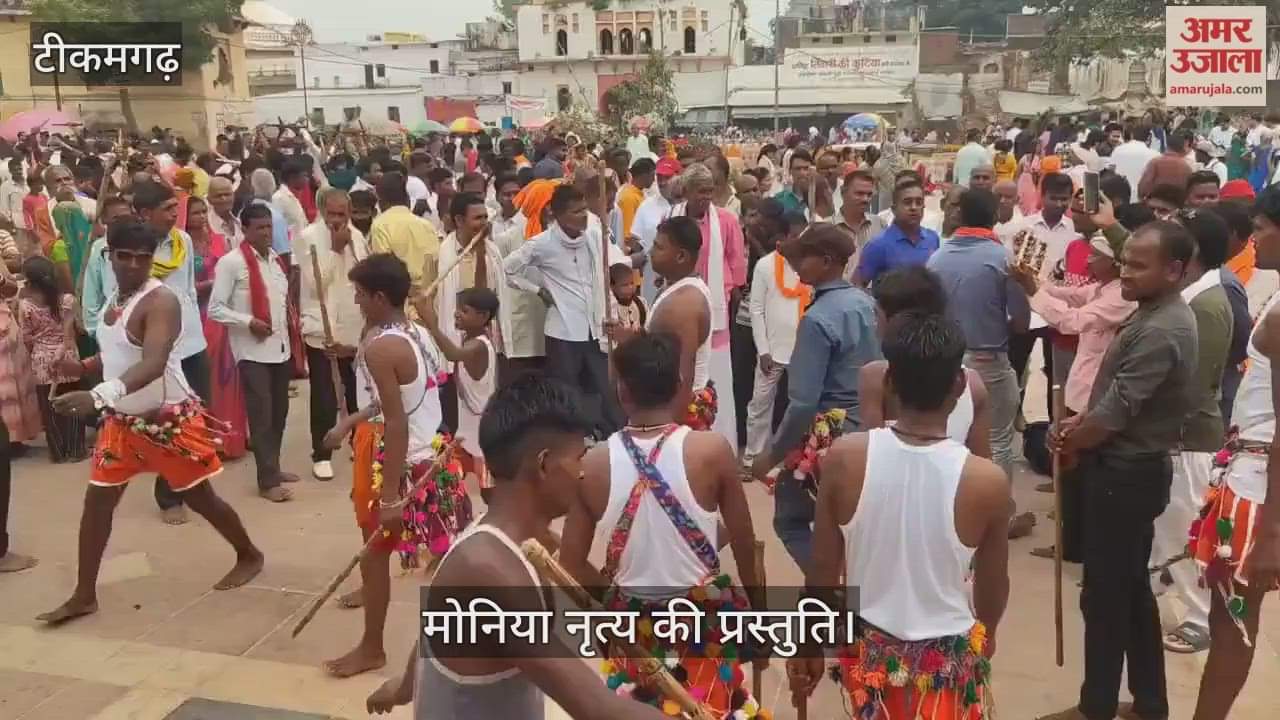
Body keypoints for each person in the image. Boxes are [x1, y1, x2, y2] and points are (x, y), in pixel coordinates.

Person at [38, 220, 263, 625]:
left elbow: (154, 362)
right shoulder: (115, 298)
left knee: (200, 498)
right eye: (124, 256)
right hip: (121, 422)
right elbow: (117, 352)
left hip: (167, 422)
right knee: (97, 504)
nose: (133, 265)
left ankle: (249, 553)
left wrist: (97, 395)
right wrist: (82, 367)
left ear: (152, 259)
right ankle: (84, 594)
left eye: (142, 258)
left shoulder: (162, 301)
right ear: (109, 256)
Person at [788, 312, 1009, 719]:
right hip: (947, 668)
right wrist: (989, 633)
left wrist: (808, 643)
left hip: (871, 664)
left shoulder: (845, 458)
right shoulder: (986, 481)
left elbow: (822, 571)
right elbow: (993, 587)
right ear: (959, 386)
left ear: (889, 381)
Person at [1037, 221, 1198, 720]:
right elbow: (1112, 400)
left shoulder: (1163, 328)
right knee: (1129, 592)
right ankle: (1149, 703)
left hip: (1126, 476)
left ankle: (1097, 706)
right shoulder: (1149, 312)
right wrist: (1077, 423)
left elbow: (1117, 410)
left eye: (1138, 265)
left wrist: (1072, 438)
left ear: (1173, 271)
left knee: (1106, 597)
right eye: (1125, 261)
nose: (1125, 272)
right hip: (1124, 467)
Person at [559, 332, 763, 716]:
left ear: (622, 391)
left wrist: (618, 599)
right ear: (679, 385)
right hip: (704, 627)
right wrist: (760, 613)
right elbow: (744, 541)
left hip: (634, 633)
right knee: (713, 708)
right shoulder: (711, 451)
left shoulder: (593, 463)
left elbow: (569, 564)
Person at [321, 252, 470, 679]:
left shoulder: (383, 347)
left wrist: (389, 496)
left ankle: (374, 648)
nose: (356, 301)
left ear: (380, 297)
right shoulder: (414, 332)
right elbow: (394, 400)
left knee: (376, 553)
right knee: (417, 552)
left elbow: (397, 420)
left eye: (360, 294)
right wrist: (348, 422)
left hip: (403, 461)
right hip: (428, 453)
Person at [1187, 184, 1280, 720]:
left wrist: (1269, 534)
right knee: (1230, 620)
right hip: (1248, 471)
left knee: (1233, 623)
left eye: (1262, 228)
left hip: (1258, 485)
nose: (1254, 239)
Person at [1012, 199, 1137, 562]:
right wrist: (1034, 283)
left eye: (1095, 257)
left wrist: (1032, 290)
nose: (1089, 262)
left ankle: (1074, 546)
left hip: (1091, 396)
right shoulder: (1103, 288)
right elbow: (1068, 294)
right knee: (1069, 470)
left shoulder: (1120, 298)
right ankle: (1071, 540)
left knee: (1077, 472)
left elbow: (1070, 321)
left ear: (1113, 264)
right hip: (1082, 389)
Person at [752, 224, 881, 570]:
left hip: (830, 439)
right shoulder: (866, 303)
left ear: (826, 261)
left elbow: (803, 403)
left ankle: (830, 583)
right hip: (873, 430)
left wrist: (772, 455)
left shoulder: (818, 319)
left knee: (790, 518)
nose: (796, 266)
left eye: (803, 258)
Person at [1151, 208, 1235, 655]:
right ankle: (1151, 589)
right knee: (1165, 527)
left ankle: (1199, 617)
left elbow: (1193, 385)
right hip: (1179, 436)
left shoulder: (1206, 306)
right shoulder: (1196, 296)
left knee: (1184, 531)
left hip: (1188, 440)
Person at [927, 189, 1030, 502]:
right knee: (998, 440)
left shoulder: (937, 257)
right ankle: (998, 512)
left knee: (951, 438)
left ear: (960, 214)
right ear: (995, 215)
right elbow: (1021, 322)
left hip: (946, 361)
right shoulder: (1003, 259)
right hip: (989, 361)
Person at [503, 184, 628, 438]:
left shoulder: (595, 236)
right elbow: (507, 269)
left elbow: (617, 265)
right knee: (566, 394)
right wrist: (537, 290)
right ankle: (572, 442)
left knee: (605, 391)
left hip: (596, 328)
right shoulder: (541, 244)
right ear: (558, 215)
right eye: (576, 211)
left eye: (584, 209)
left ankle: (612, 440)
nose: (583, 215)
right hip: (563, 332)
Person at [131, 181, 210, 525]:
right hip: (159, 351)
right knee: (168, 421)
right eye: (167, 209)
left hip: (192, 342)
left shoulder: (183, 241)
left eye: (175, 208)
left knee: (196, 416)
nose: (174, 215)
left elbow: (189, 290)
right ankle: (168, 497)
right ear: (144, 214)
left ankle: (190, 481)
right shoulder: (132, 250)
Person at [208, 203, 297, 502]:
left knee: (279, 413)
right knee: (261, 416)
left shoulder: (275, 260)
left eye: (269, 227)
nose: (266, 233)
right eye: (259, 228)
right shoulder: (231, 263)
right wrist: (248, 322)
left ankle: (274, 467)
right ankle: (267, 481)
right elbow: (216, 308)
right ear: (244, 229)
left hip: (280, 348)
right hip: (251, 351)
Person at [859, 265, 992, 457]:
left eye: (877, 315)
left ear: (897, 321)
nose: (874, 324)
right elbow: (982, 459)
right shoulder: (973, 384)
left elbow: (870, 457)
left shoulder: (875, 377)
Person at [665, 163, 747, 447]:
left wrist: (729, 294)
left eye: (710, 191)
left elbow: (737, 263)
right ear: (686, 191)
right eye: (700, 191)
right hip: (681, 306)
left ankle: (720, 444)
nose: (706, 197)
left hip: (716, 310)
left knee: (717, 379)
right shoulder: (672, 218)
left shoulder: (726, 220)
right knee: (683, 372)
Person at [298, 188, 367, 480]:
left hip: (352, 327)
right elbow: (315, 284)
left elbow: (363, 276)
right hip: (321, 326)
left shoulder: (357, 236)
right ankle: (322, 453)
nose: (337, 220)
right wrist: (335, 251)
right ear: (322, 211)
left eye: (342, 214)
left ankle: (360, 444)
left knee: (357, 391)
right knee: (325, 395)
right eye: (332, 214)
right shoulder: (307, 237)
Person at [419, 287, 499, 505]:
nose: (456, 314)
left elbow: (453, 354)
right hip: (466, 432)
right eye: (458, 309)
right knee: (449, 485)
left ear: (483, 316)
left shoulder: (478, 346)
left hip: (482, 435)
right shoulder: (469, 338)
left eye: (464, 311)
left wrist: (432, 324)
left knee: (489, 492)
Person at [742, 209, 808, 469]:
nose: (801, 241)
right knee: (759, 404)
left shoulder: (811, 265)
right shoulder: (765, 266)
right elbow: (756, 310)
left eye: (804, 235)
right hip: (772, 351)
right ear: (781, 238)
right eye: (795, 236)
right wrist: (763, 350)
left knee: (800, 407)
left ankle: (795, 460)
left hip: (803, 351)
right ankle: (753, 457)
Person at [20, 255, 86, 463]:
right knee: (74, 405)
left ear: (29, 282)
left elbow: (26, 338)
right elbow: (70, 334)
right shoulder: (68, 301)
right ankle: (76, 450)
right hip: (68, 360)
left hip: (42, 362)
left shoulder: (25, 306)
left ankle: (58, 452)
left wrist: (39, 352)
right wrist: (61, 351)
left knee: (50, 410)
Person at [370, 172, 441, 308]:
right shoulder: (427, 225)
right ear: (407, 199)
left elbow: (383, 270)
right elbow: (437, 263)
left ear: (380, 201)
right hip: (430, 301)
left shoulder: (380, 225)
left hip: (402, 302)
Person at [854, 180, 940, 287]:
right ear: (894, 209)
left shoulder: (932, 238)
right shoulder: (878, 245)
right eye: (907, 202)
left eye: (919, 202)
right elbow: (857, 286)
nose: (914, 207)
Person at [629, 157, 681, 305]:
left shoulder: (686, 205)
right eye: (659, 177)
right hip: (652, 277)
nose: (662, 182)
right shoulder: (647, 205)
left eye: (667, 177)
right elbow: (635, 240)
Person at [834, 169, 886, 279]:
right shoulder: (827, 227)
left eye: (869, 194)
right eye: (859, 193)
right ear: (843, 192)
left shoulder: (880, 224)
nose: (865, 199)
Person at [1139, 130, 1194, 201]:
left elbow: (1145, 184)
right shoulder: (1186, 167)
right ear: (1182, 148)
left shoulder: (1155, 162)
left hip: (1156, 201)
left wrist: (1142, 197)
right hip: (1176, 203)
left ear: (1167, 146)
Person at [1112, 125, 1161, 202]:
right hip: (1141, 199)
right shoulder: (1155, 155)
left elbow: (1111, 170)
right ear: (1149, 138)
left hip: (1119, 197)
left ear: (1132, 135)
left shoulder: (1118, 150)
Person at [609, 263, 647, 332]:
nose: (630, 287)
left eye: (632, 283)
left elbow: (648, 328)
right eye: (625, 285)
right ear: (612, 287)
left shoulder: (641, 302)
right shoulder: (611, 307)